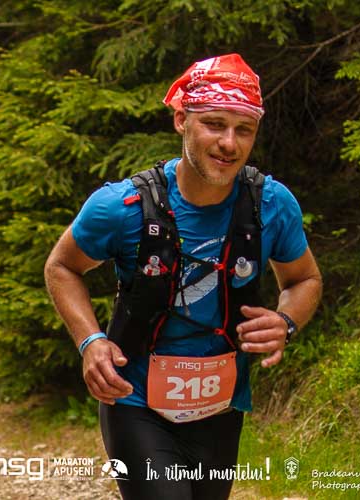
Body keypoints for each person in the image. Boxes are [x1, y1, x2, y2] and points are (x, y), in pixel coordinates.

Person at [44, 53, 322, 500]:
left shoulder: (271, 204)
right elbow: (62, 266)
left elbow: (304, 279)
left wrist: (286, 322)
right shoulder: (121, 206)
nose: (228, 143)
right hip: (134, 398)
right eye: (214, 124)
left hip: (220, 406)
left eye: (244, 129)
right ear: (181, 120)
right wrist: (90, 341)